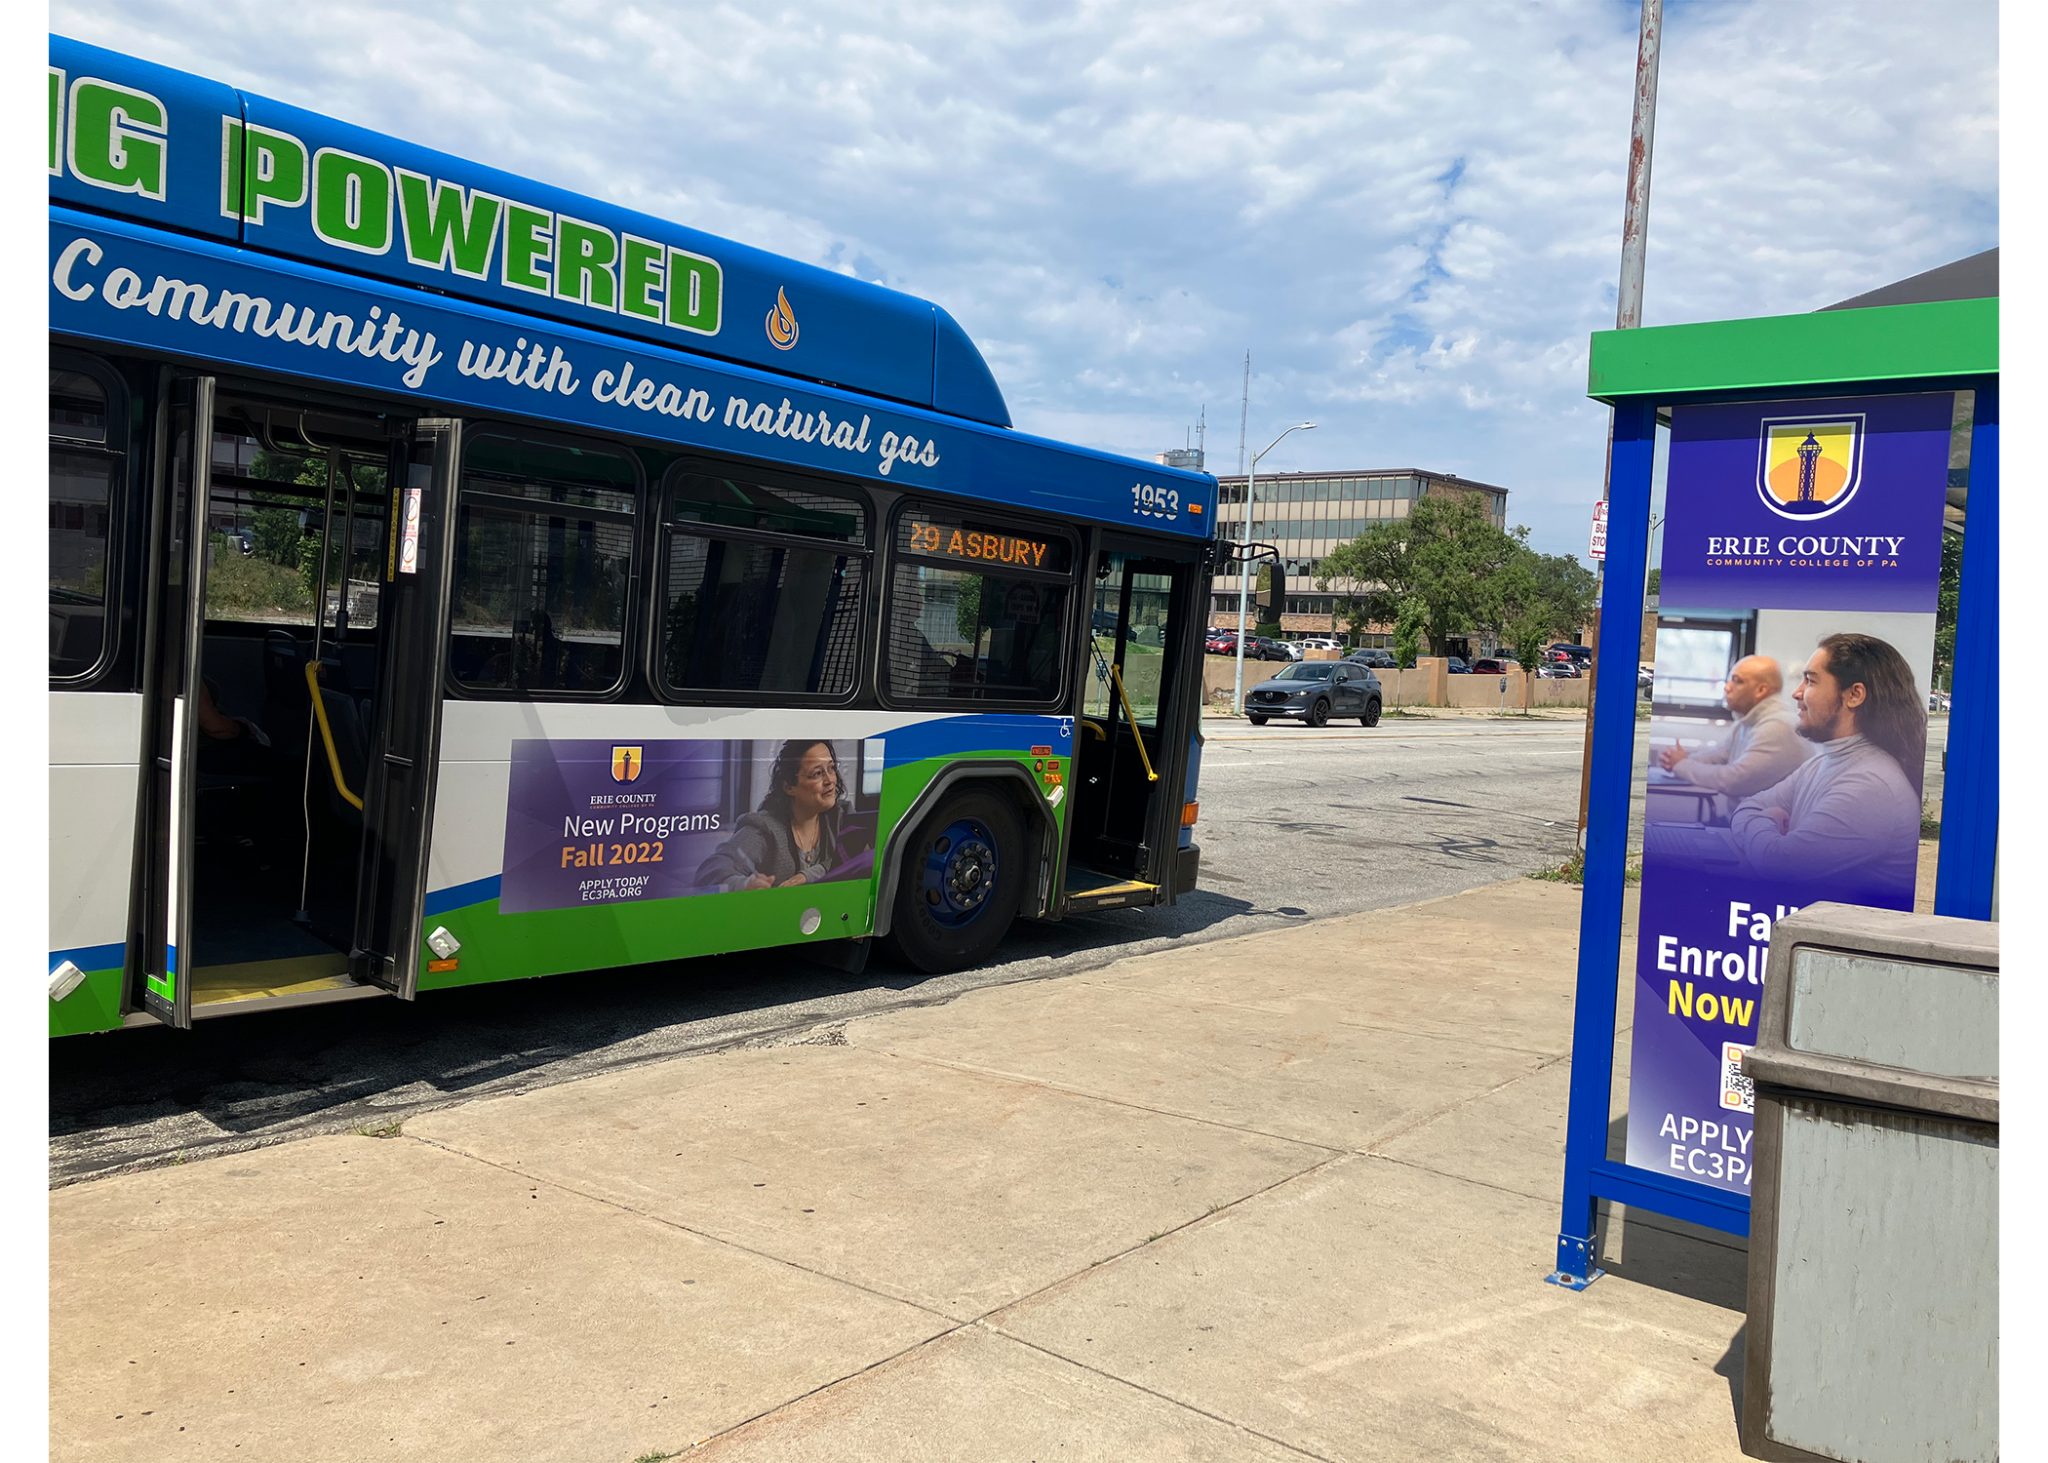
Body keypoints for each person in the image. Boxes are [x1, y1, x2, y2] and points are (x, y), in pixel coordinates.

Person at [1727, 633, 1926, 888]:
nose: (1796, 693)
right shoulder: (1823, 762)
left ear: (1855, 695)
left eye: (1810, 681)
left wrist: (1768, 819)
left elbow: (1778, 864)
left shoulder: (1870, 785)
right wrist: (1769, 830)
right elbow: (1747, 808)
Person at [1657, 655, 1809, 818]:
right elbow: (1720, 755)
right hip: (1744, 821)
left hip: (1764, 828)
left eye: (1737, 681)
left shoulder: (1777, 725)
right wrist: (1682, 760)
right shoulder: (1749, 720)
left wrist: (1682, 765)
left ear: (1761, 690)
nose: (1727, 687)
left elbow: (1735, 780)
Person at [695, 740, 855, 891]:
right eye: (817, 773)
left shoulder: (842, 816)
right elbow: (710, 871)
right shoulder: (764, 827)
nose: (830, 780)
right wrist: (744, 885)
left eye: (831, 768)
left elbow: (858, 858)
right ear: (789, 787)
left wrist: (810, 875)